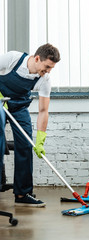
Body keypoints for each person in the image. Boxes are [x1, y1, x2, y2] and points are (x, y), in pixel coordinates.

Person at [0, 43, 60, 206]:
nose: (48, 71)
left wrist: (40, 138)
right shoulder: (12, 58)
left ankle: (22, 194)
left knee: (26, 145)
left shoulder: (44, 79)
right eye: (47, 66)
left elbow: (43, 111)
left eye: (51, 68)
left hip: (19, 106)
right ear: (37, 58)